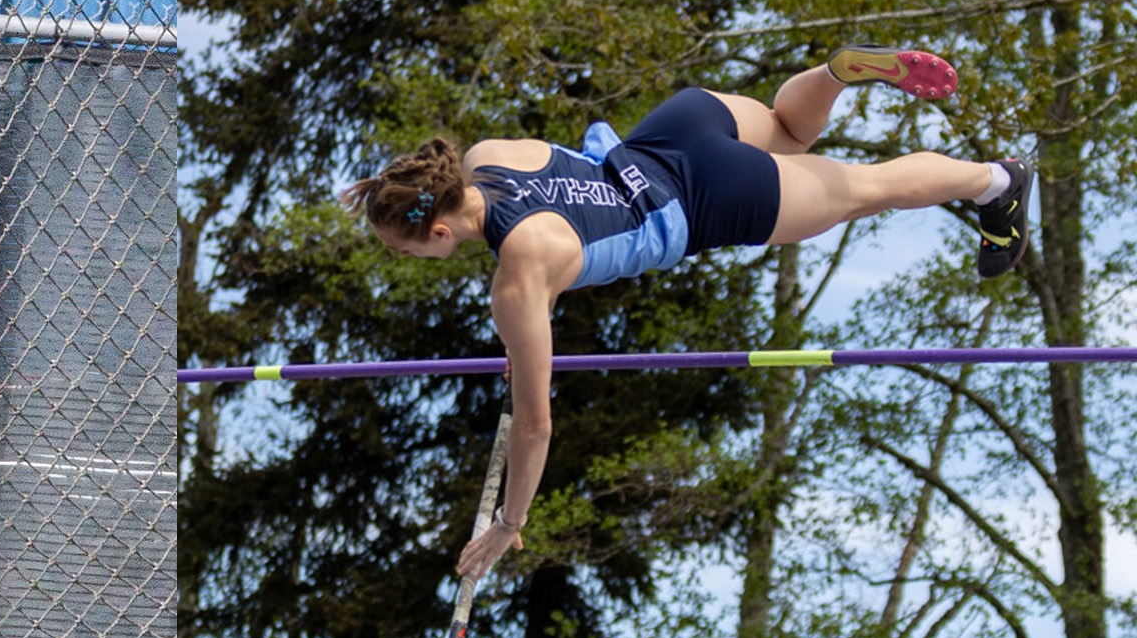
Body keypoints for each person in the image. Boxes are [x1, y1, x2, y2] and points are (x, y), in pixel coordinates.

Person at [339, 46, 1031, 585]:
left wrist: (509, 519)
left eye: (401, 250)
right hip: (674, 130)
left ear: (435, 235)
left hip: (706, 196)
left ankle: (996, 181)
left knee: (869, 189)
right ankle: (835, 72)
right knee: (791, 127)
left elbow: (536, 423)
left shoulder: (518, 275)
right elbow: (569, 191)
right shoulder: (489, 156)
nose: (406, 260)